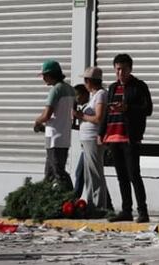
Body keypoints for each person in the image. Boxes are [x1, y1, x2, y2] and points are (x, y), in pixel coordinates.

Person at [100, 53, 154, 223]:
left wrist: (127, 107)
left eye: (123, 69)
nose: (120, 73)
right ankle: (126, 210)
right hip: (114, 136)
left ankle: (142, 211)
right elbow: (106, 114)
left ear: (130, 69)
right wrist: (101, 134)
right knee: (121, 176)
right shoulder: (113, 88)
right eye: (117, 70)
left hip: (130, 137)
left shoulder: (139, 86)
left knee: (134, 174)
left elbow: (147, 109)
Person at [33, 60, 75, 191]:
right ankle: (46, 198)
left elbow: (46, 115)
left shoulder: (55, 90)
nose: (44, 78)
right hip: (64, 137)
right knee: (50, 173)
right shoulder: (70, 89)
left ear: (52, 74)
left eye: (45, 75)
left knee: (58, 173)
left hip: (54, 138)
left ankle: (70, 198)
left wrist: (37, 121)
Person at [75, 66, 112, 211]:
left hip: (92, 138)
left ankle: (98, 205)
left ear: (89, 81)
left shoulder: (101, 95)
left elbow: (98, 118)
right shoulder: (94, 96)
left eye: (85, 80)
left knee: (95, 173)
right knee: (89, 174)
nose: (84, 84)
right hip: (87, 139)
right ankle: (92, 202)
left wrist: (81, 116)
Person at [72, 83, 90, 200]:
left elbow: (91, 124)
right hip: (85, 145)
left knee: (80, 173)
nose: (76, 99)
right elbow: (82, 126)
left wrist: (79, 116)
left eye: (77, 96)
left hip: (89, 145)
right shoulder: (83, 108)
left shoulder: (89, 107)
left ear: (84, 95)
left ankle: (74, 199)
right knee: (86, 175)